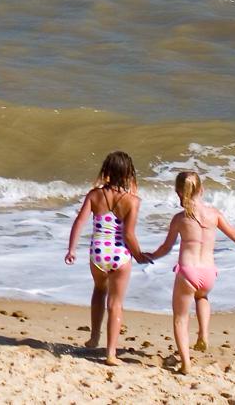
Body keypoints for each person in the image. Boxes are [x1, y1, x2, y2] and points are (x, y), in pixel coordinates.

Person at [146, 170, 235, 374]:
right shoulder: (214, 214)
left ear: (179, 192)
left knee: (180, 318)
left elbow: (166, 247)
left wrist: (149, 255)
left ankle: (186, 364)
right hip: (208, 273)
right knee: (202, 297)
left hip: (188, 272)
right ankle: (203, 334)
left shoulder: (180, 218)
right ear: (202, 190)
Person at [65, 151, 153, 366]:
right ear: (129, 173)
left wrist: (72, 249)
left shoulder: (94, 195)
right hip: (120, 255)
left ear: (106, 171)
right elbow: (129, 235)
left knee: (99, 290)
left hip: (98, 253)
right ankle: (111, 353)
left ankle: (94, 336)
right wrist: (139, 254)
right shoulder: (132, 201)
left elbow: (79, 221)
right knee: (116, 304)